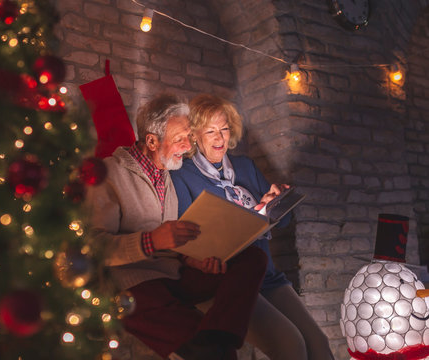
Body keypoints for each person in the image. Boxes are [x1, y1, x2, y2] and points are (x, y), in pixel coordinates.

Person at [85, 93, 268, 360]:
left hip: (172, 276)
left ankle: (220, 335)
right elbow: (93, 247)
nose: (188, 145)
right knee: (214, 355)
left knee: (252, 258)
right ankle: (214, 347)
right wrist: (151, 241)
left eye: (190, 137)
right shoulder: (109, 174)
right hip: (131, 287)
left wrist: (193, 260)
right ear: (151, 140)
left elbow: (170, 245)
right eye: (180, 138)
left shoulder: (167, 176)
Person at [170, 94, 335, 360]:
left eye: (224, 129)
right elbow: (186, 240)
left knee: (319, 344)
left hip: (268, 276)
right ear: (195, 136)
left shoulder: (245, 166)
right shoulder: (181, 174)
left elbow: (283, 220)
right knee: (291, 347)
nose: (220, 138)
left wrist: (273, 202)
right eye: (210, 131)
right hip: (229, 282)